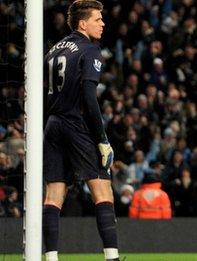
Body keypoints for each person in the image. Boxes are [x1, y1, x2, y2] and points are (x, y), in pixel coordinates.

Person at [42, 1, 119, 260]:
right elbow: (88, 95)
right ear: (83, 23)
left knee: (53, 195)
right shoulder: (89, 50)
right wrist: (102, 139)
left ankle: (50, 257)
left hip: (52, 124)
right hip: (76, 124)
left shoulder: (53, 50)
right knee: (102, 190)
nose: (103, 23)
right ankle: (112, 257)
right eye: (98, 19)